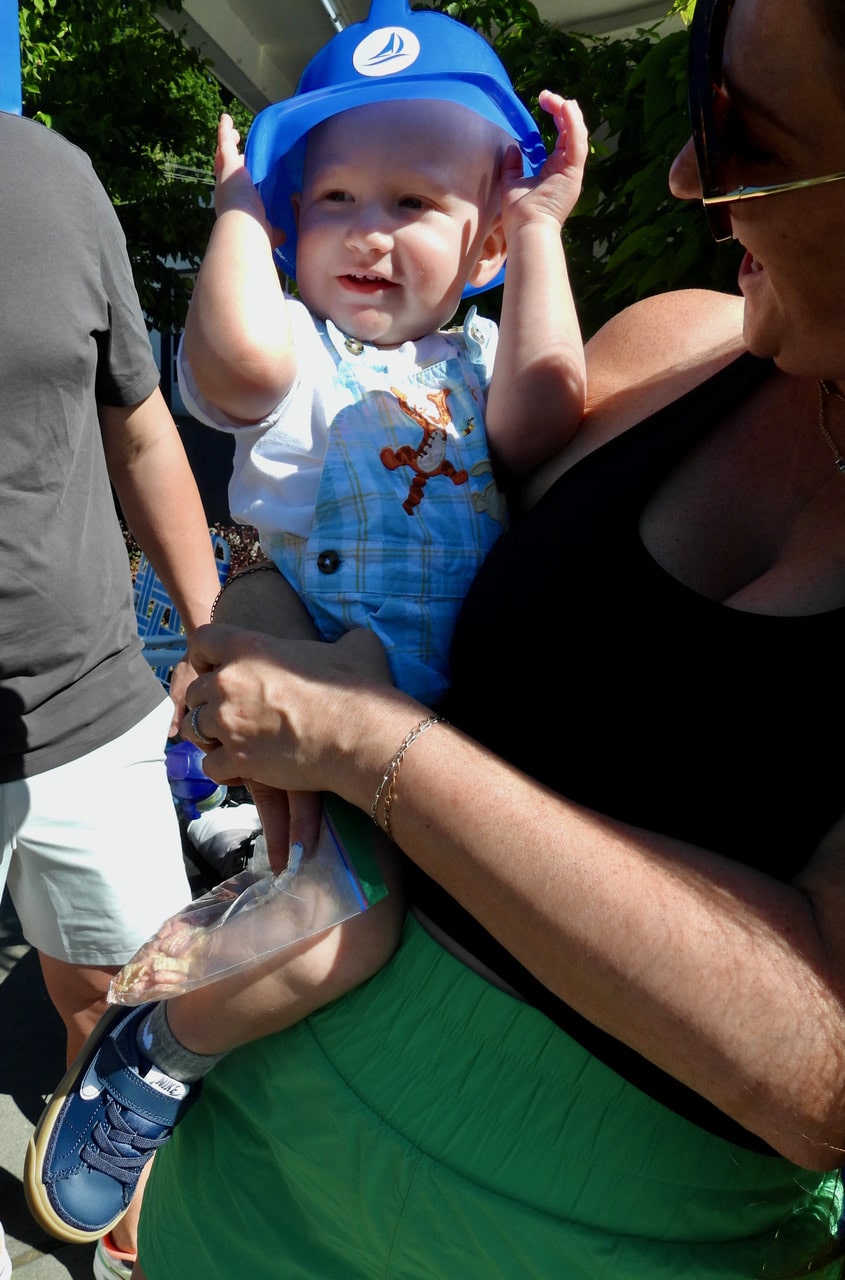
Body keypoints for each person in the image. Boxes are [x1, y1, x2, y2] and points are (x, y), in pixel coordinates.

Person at [25, 0, 590, 1254]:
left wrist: (545, 233)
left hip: (444, 735)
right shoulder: (300, 355)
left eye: (414, 201)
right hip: (332, 715)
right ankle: (154, 1050)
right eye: (331, 198)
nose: (369, 230)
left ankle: (209, 972)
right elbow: (227, 360)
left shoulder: (482, 360)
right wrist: (239, 205)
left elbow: (550, 413)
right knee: (353, 926)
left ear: (485, 235)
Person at [0, 109, 223, 1280]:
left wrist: (212, 634)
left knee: (127, 1007)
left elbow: (136, 422)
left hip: (90, 699)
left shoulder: (52, 174)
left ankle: (127, 1220)